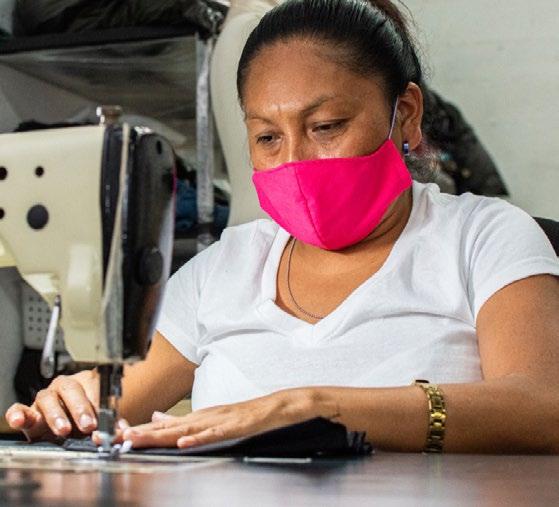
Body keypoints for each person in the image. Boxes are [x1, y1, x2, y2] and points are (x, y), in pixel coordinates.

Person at [6, 0, 559, 453]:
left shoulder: (484, 238)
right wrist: (72, 401)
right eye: (267, 137)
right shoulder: (223, 268)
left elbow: (543, 406)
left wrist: (313, 407)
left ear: (406, 115)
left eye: (326, 126)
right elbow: (112, 401)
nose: (294, 161)